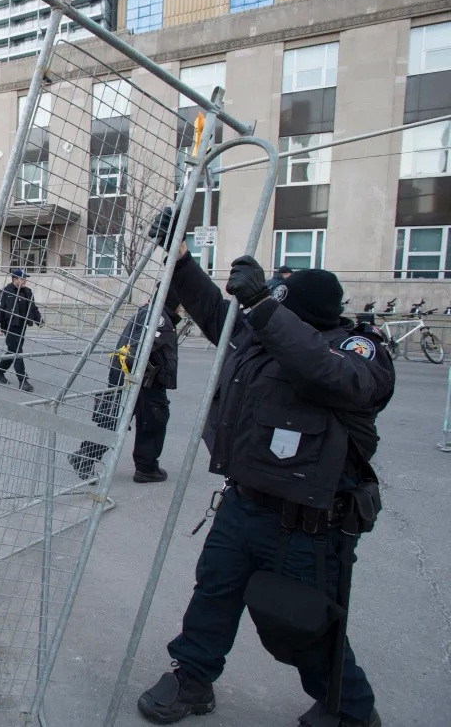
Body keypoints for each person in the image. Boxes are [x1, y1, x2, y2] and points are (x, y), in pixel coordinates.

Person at [136, 210, 393, 727]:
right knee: (213, 593)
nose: (267, 304)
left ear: (299, 312)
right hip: (243, 504)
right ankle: (192, 679)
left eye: (278, 299)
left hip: (308, 524)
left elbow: (328, 378)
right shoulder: (262, 336)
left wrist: (262, 307)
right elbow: (213, 312)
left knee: (302, 623)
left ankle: (349, 711)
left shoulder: (356, 351)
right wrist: (179, 256)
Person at [70, 289, 181, 483]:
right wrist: (144, 375)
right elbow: (137, 350)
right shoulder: (158, 317)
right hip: (141, 378)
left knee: (118, 418)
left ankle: (86, 456)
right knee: (153, 419)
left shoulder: (150, 312)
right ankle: (146, 468)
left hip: (131, 375)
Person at [0, 268, 42, 392]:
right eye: (22, 278)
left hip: (22, 325)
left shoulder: (28, 292)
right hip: (9, 325)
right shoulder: (5, 291)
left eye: (25, 279)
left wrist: (38, 320)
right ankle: (23, 380)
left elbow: (33, 307)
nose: (25, 281)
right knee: (17, 351)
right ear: (14, 279)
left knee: (12, 351)